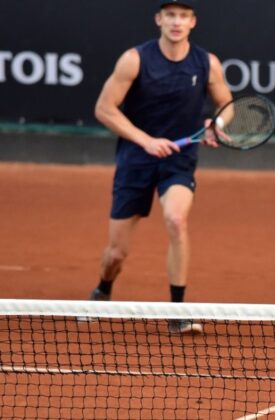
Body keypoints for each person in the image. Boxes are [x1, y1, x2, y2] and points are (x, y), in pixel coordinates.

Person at [86, 0, 232, 334]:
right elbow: (104, 109)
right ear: (159, 20)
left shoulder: (207, 63)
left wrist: (217, 125)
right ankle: (103, 288)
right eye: (170, 15)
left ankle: (177, 311)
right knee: (117, 253)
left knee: (176, 219)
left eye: (183, 16)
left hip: (179, 159)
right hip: (136, 158)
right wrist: (146, 140)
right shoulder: (134, 59)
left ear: (193, 22)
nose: (176, 22)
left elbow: (227, 105)